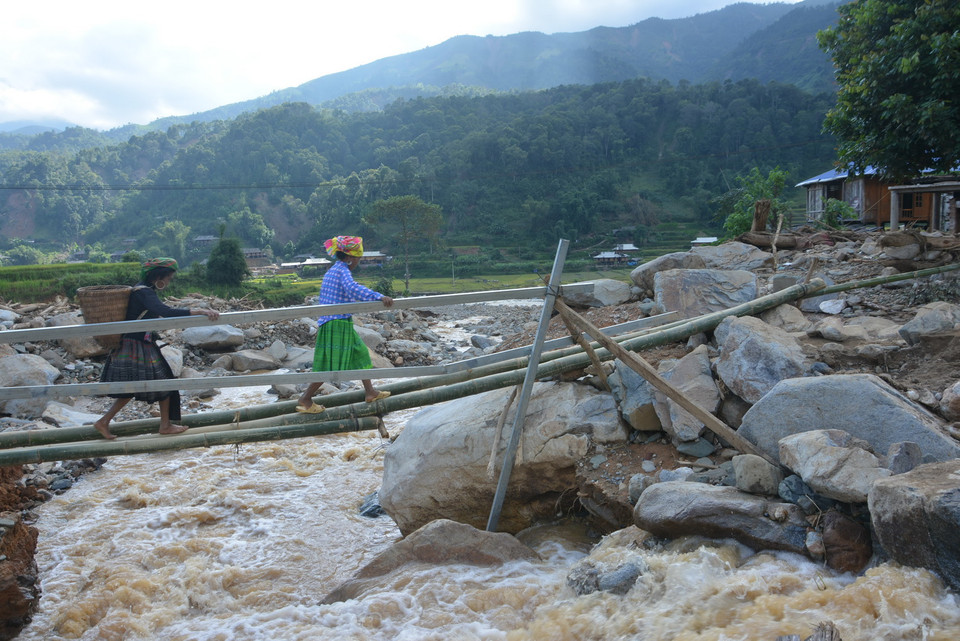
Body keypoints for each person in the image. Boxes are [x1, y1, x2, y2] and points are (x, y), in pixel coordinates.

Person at [93, 258, 220, 439]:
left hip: (136, 343)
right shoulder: (144, 292)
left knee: (143, 384)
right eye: (168, 278)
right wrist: (199, 311)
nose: (169, 281)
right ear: (159, 276)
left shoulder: (143, 290)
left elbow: (158, 311)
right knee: (163, 382)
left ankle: (106, 422)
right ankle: (163, 425)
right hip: (136, 346)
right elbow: (165, 311)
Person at [296, 235, 394, 413]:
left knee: (361, 354)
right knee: (328, 365)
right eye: (358, 258)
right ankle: (305, 398)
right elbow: (353, 288)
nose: (358, 262)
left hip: (338, 321)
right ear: (350, 258)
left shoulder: (335, 269)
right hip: (336, 323)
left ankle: (370, 391)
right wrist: (378, 296)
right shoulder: (342, 271)